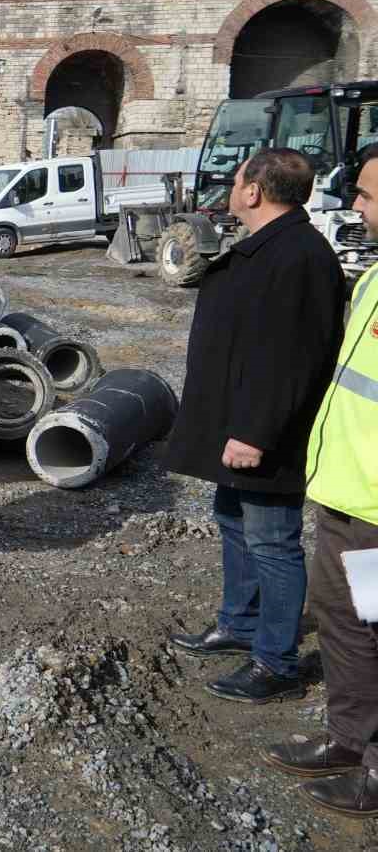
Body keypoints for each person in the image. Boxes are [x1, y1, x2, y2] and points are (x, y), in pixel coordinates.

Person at [164, 148, 346, 702]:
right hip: (237, 427)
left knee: (273, 541)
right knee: (233, 521)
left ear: (254, 192)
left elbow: (292, 359)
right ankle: (239, 624)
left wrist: (255, 433)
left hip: (262, 436)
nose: (232, 188)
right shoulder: (270, 247)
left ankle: (276, 662)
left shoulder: (300, 257)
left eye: (237, 180)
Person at [263, 144, 378, 817]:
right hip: (345, 493)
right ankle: (348, 737)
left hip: (375, 507)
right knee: (345, 626)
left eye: (365, 195)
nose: (354, 207)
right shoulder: (371, 280)